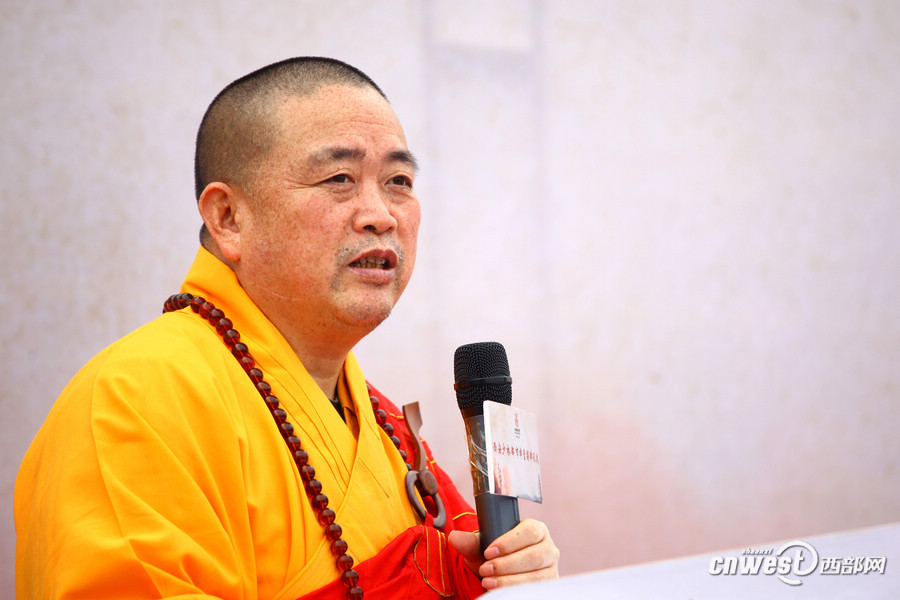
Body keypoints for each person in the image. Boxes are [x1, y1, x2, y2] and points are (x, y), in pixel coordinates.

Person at [15, 57, 559, 599]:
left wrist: (509, 577)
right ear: (228, 218)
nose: (381, 215)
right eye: (339, 179)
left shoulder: (385, 424)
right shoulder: (135, 400)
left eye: (398, 181)